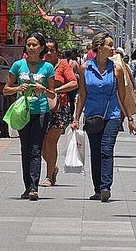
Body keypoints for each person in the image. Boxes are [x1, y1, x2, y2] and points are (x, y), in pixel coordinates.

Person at [72, 33, 136, 202]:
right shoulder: (85, 68)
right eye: (109, 45)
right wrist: (76, 118)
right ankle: (97, 189)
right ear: (99, 47)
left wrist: (129, 119)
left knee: (106, 150)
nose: (112, 48)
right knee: (95, 152)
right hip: (92, 115)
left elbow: (123, 96)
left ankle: (105, 186)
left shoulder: (117, 69)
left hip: (112, 115)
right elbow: (82, 95)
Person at [3, 32, 56, 201]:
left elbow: (53, 94)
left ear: (41, 48)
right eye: (29, 44)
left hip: (41, 111)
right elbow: (6, 89)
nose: (31, 47)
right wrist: (18, 89)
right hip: (23, 112)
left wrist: (44, 90)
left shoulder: (47, 68)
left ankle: (34, 187)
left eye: (34, 45)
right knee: (25, 149)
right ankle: (27, 186)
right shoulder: (18, 65)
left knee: (35, 148)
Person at [41, 39, 77, 187]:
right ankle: (53, 166)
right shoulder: (39, 64)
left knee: (51, 142)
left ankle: (48, 176)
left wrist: (56, 90)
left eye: (52, 50)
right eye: (47, 49)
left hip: (58, 108)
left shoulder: (62, 65)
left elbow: (74, 82)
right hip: (41, 107)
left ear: (57, 51)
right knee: (41, 145)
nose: (49, 52)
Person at [110, 47, 136, 130]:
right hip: (115, 88)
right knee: (120, 106)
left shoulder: (123, 65)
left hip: (121, 88)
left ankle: (120, 122)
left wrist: (134, 85)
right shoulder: (113, 63)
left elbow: (130, 75)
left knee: (121, 105)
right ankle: (120, 122)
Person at [66, 48, 80, 120]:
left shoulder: (64, 63)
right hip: (72, 83)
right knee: (72, 100)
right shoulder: (74, 62)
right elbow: (79, 71)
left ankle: (66, 114)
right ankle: (71, 115)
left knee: (65, 100)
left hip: (65, 83)